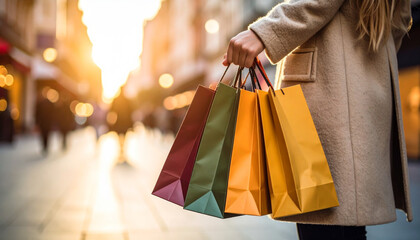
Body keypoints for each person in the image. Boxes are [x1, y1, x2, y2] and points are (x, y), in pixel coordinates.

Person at [223, 0, 413, 239]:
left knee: (323, 219)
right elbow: (400, 23)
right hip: (366, 96)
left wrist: (263, 32)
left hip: (325, 92)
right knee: (346, 223)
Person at [108, 86, 134, 164]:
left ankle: (121, 150)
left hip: (121, 122)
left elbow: (112, 111)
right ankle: (121, 150)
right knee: (123, 137)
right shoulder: (125, 100)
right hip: (123, 122)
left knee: (121, 137)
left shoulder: (118, 99)